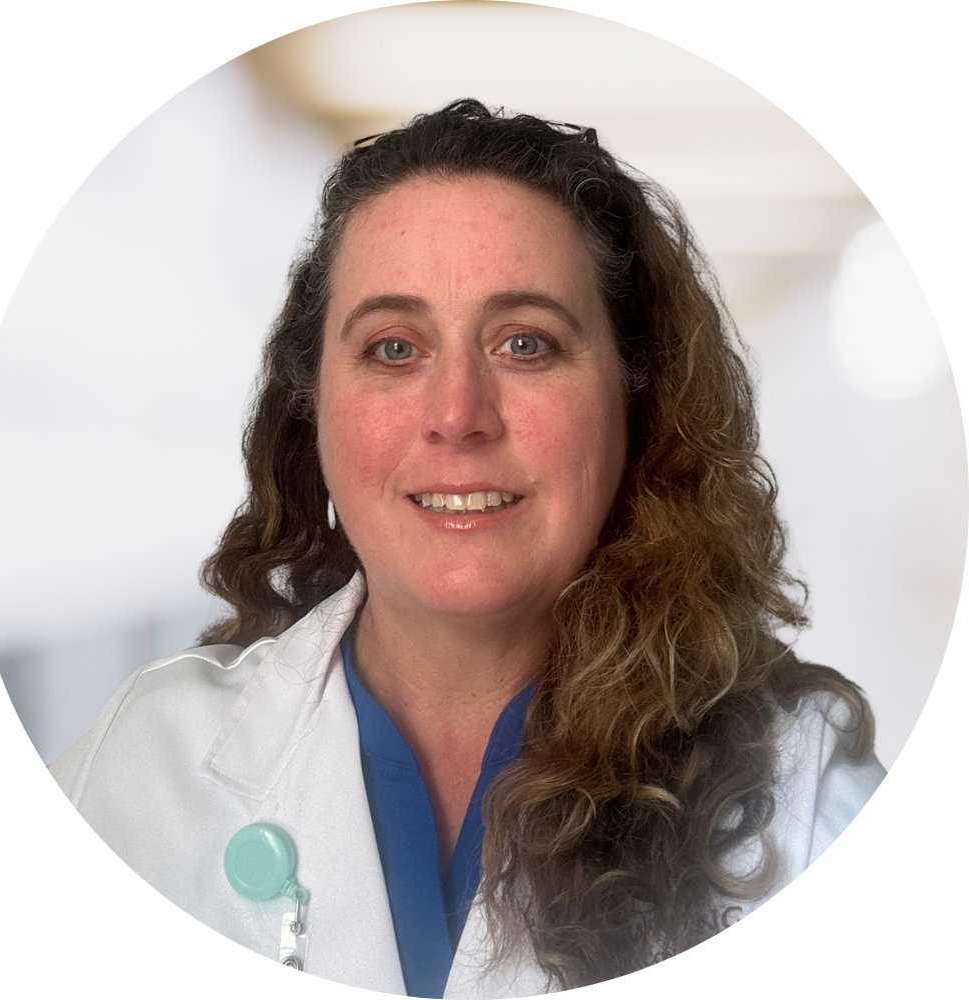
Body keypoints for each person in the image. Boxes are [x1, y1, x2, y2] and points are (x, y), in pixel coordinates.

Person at [51, 100, 885, 999]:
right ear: (314, 410)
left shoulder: (806, 797)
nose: (457, 415)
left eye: (525, 344)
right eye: (395, 347)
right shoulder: (142, 765)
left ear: (636, 402)